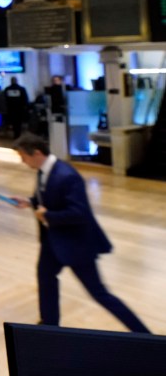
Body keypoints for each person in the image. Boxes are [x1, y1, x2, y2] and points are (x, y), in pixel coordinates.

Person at [11, 133, 150, 332]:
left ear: (37, 153)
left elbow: (79, 213)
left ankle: (144, 334)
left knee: (99, 293)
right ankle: (49, 327)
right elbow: (48, 199)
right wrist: (30, 202)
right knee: (45, 278)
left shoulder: (67, 176)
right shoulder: (44, 171)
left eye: (23, 156)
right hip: (53, 241)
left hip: (76, 244)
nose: (22, 161)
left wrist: (48, 216)